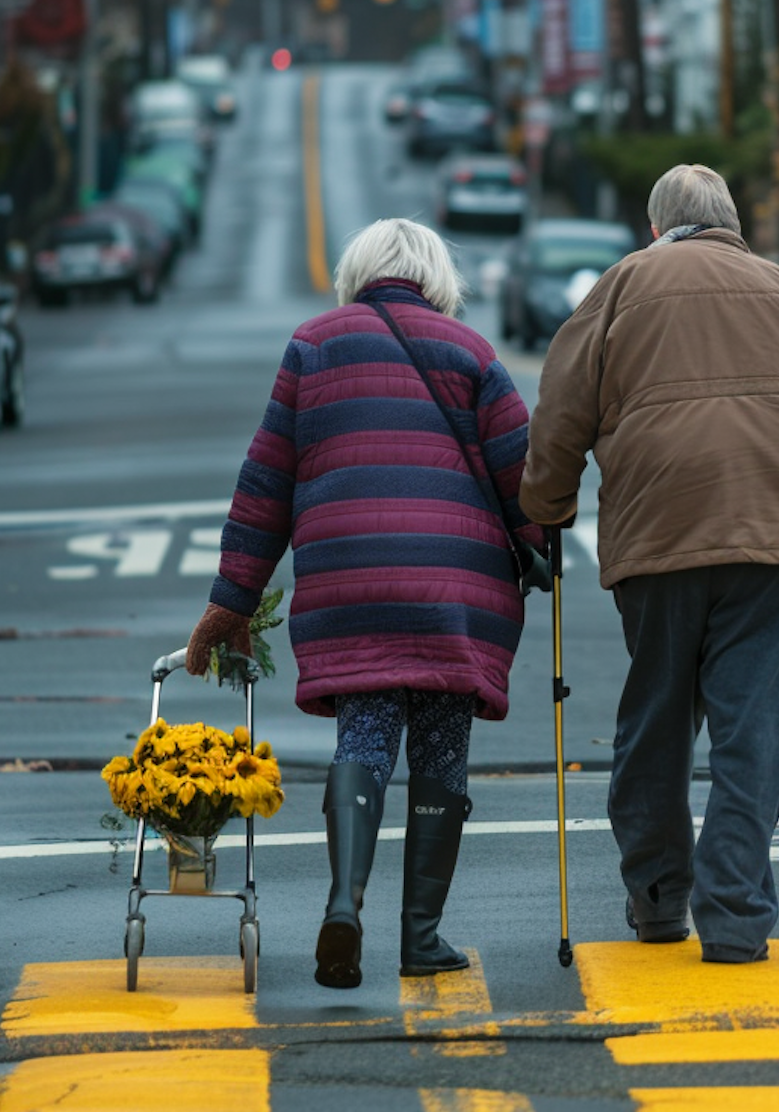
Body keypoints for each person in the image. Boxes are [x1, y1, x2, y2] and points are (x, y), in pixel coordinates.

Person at [520, 165, 779, 963]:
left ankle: (656, 900)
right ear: (731, 224)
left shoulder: (620, 288)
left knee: (656, 717)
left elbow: (561, 408)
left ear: (658, 227)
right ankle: (736, 916)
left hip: (660, 530)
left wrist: (546, 507)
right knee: (754, 729)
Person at [186, 218, 544, 990]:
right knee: (441, 752)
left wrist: (232, 601)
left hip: (352, 588)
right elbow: (526, 477)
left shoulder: (312, 345)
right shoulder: (475, 352)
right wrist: (538, 543)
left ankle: (345, 903)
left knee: (366, 738)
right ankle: (422, 937)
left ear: (359, 270)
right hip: (457, 593)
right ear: (435, 276)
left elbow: (265, 485)